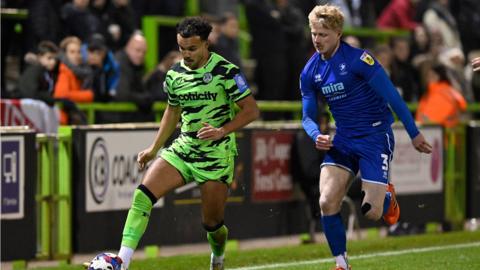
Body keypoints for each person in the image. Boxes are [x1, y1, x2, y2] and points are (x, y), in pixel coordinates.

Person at [116, 17, 259, 270]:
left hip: (215, 154)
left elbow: (251, 111)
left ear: (206, 44)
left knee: (212, 224)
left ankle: (218, 256)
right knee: (143, 195)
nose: (186, 54)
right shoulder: (175, 74)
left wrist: (221, 130)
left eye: (192, 48)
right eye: (182, 48)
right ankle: (122, 262)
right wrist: (154, 148)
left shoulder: (226, 71)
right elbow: (172, 111)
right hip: (184, 148)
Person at [300, 5, 432, 270]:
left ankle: (386, 196)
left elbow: (393, 97)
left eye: (323, 34)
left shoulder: (359, 60)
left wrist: (414, 134)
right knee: (326, 201)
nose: (317, 40)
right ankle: (341, 264)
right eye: (314, 33)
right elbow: (307, 117)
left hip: (375, 135)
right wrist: (316, 134)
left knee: (373, 212)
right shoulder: (310, 72)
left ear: (338, 33)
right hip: (344, 139)